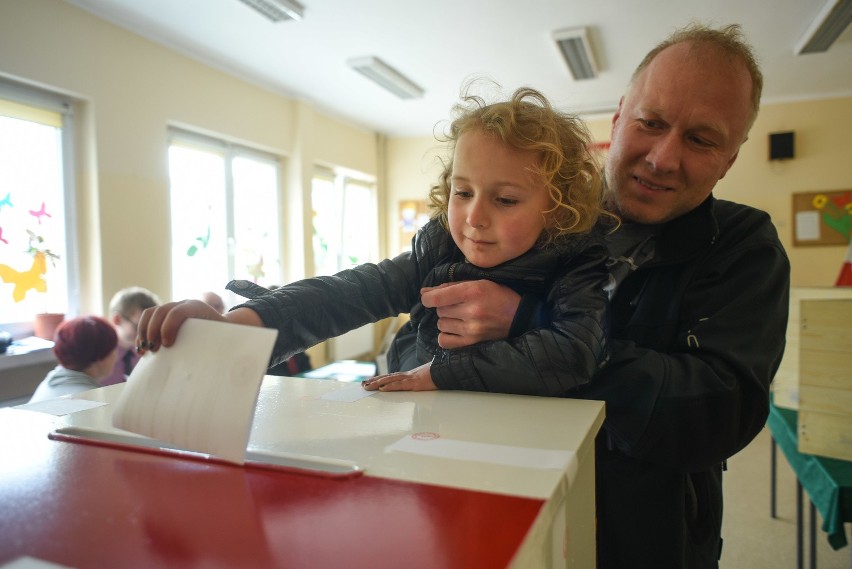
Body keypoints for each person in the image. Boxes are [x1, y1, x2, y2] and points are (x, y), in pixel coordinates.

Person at [411, 24, 791, 569]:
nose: (662, 157)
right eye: (650, 123)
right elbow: (409, 348)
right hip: (487, 504)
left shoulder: (743, 246)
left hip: (646, 538)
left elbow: (720, 411)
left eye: (701, 139)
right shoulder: (530, 212)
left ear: (729, 159)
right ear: (617, 119)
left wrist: (532, 328)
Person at [137, 86, 613, 396]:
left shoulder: (576, 262)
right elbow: (348, 293)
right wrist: (239, 324)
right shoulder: (439, 249)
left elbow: (575, 351)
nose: (473, 218)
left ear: (557, 208)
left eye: (506, 200)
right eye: (462, 192)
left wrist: (439, 373)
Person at [29, 316, 118, 402]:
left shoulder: (49, 383)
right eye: (113, 350)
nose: (116, 357)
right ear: (100, 357)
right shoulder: (93, 399)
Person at [102, 286, 161, 386]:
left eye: (150, 327)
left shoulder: (146, 354)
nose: (145, 334)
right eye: (139, 326)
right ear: (117, 319)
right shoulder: (99, 358)